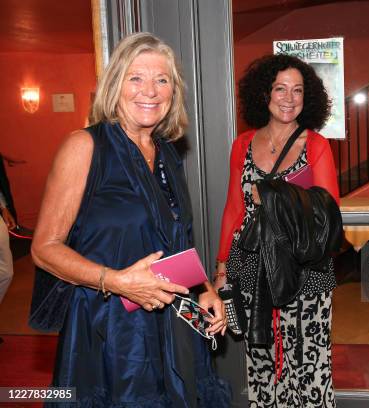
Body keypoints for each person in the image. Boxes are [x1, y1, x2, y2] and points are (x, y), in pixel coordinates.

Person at [31, 32, 230, 407]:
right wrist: (117, 281)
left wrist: (205, 289)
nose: (149, 91)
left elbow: (176, 242)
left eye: (162, 79)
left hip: (169, 322)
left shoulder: (168, 154)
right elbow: (44, 249)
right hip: (105, 326)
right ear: (115, 85)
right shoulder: (84, 146)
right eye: (135, 77)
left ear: (173, 91)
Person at [214, 54, 340, 407]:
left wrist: (271, 195)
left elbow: (328, 214)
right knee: (261, 359)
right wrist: (222, 267)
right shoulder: (242, 144)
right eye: (280, 88)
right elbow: (233, 209)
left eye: (297, 90)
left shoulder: (316, 144)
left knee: (309, 362)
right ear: (263, 95)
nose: (289, 98)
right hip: (251, 265)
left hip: (304, 268)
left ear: (308, 97)